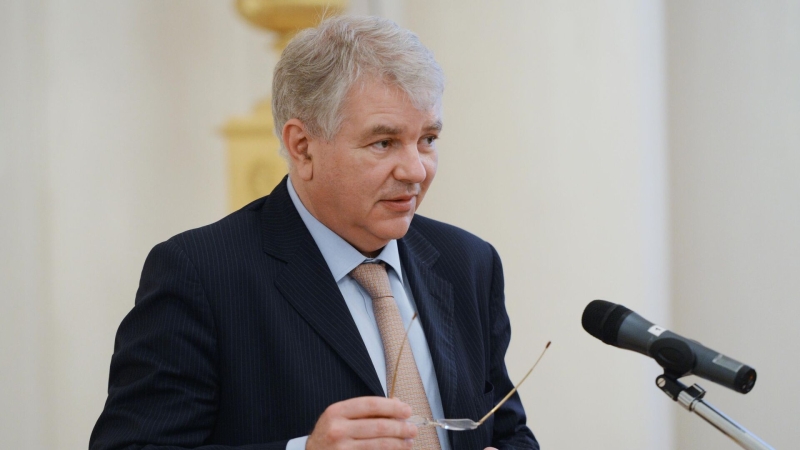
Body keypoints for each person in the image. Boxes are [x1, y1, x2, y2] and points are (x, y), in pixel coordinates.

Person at [90, 15, 538, 450]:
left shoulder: (469, 263)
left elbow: (510, 434)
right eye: (383, 142)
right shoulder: (201, 274)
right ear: (302, 147)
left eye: (428, 140)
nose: (416, 170)